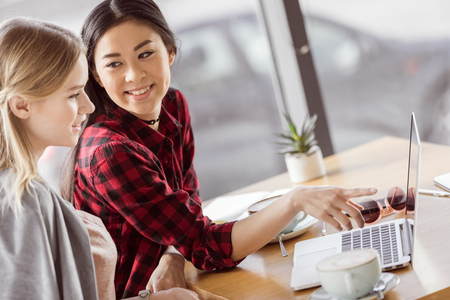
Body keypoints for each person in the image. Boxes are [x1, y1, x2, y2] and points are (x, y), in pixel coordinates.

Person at [62, 0, 377, 298]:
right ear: (97, 76)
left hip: (178, 285)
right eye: (114, 63)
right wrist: (294, 200)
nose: (134, 75)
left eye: (145, 54)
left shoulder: (172, 105)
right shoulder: (110, 153)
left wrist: (172, 255)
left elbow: (188, 201)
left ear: (170, 52)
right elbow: (207, 247)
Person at [0, 16, 198, 300]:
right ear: (21, 105)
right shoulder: (24, 202)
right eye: (72, 95)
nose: (88, 105)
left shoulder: (25, 192)